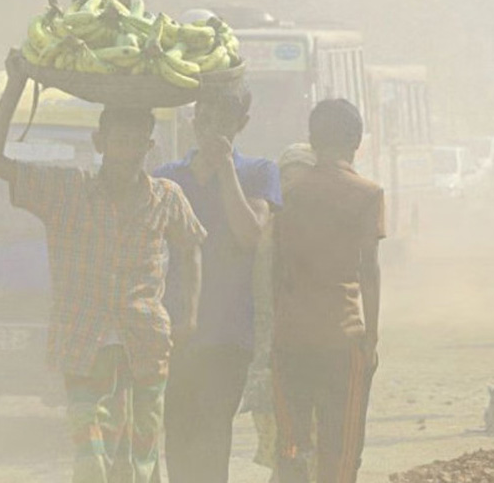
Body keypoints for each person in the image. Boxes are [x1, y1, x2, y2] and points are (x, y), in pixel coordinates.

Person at [0, 52, 206, 483]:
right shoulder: (65, 191)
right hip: (85, 343)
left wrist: (188, 314)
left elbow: (191, 248)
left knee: (141, 460)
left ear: (148, 146)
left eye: (135, 142)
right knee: (93, 461)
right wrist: (15, 86)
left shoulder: (167, 197)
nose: (126, 151)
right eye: (118, 141)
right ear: (100, 142)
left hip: (146, 343)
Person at [153, 87, 281, 483]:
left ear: (240, 125)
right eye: (205, 118)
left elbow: (249, 235)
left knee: (212, 441)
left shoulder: (258, 171)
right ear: (194, 120)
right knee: (178, 440)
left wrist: (225, 169)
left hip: (229, 336)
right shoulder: (166, 178)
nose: (212, 128)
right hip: (174, 333)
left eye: (224, 121)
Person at [273, 99, 384, 483]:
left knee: (292, 443)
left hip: (290, 337)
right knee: (341, 447)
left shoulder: (287, 193)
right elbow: (368, 269)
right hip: (343, 335)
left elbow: (276, 268)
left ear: (313, 140)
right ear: (356, 141)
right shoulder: (367, 194)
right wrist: (370, 338)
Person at [244, 143, 317, 483]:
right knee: (276, 435)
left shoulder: (323, 229)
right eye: (287, 177)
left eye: (302, 178)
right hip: (269, 345)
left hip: (309, 346)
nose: (293, 185)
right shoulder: (263, 223)